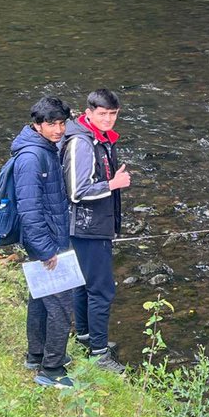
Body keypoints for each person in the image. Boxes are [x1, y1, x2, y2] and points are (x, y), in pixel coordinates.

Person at [60, 88, 130, 374]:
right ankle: (99, 354)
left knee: (83, 284)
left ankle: (86, 338)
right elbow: (77, 192)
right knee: (101, 290)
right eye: (102, 114)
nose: (108, 120)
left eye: (113, 114)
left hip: (89, 226)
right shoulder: (82, 142)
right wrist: (113, 184)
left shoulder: (96, 137)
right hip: (87, 227)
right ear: (88, 113)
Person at [13, 96, 76, 389]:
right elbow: (29, 210)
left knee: (40, 300)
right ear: (37, 125)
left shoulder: (45, 148)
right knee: (62, 307)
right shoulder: (31, 158)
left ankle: (35, 354)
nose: (59, 129)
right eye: (52, 124)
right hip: (47, 244)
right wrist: (45, 250)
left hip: (51, 239)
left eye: (62, 123)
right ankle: (52, 369)